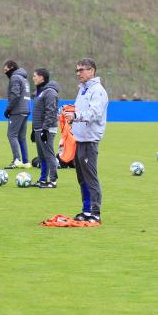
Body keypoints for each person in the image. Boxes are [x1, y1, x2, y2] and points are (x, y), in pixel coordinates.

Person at [63, 58, 108, 223]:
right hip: (79, 139)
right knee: (82, 178)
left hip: (90, 140)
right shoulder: (83, 90)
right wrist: (69, 112)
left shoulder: (98, 91)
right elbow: (80, 110)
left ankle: (95, 212)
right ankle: (86, 209)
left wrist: (75, 116)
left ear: (92, 71)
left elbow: (94, 113)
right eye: (77, 70)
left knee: (90, 177)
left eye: (81, 70)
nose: (78, 73)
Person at [30, 69, 59, 188]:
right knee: (41, 156)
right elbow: (37, 112)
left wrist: (45, 129)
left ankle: (53, 181)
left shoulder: (50, 92)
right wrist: (34, 130)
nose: (33, 78)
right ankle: (42, 179)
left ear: (42, 78)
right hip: (38, 128)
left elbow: (51, 111)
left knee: (49, 154)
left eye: (35, 76)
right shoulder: (40, 92)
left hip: (46, 129)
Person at [3, 60, 31, 169]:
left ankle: (16, 160)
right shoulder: (24, 79)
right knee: (21, 137)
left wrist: (8, 109)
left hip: (17, 111)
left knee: (11, 135)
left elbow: (15, 95)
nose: (5, 73)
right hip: (25, 110)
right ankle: (26, 162)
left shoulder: (15, 78)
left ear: (11, 67)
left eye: (6, 70)